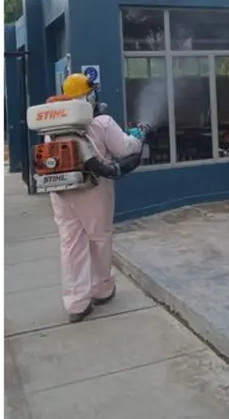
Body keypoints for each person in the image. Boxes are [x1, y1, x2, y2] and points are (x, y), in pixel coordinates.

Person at [49, 73, 145, 322]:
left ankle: (76, 303)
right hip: (92, 189)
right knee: (99, 239)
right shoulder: (101, 122)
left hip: (60, 192)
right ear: (89, 95)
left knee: (71, 245)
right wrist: (139, 134)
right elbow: (125, 148)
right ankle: (102, 289)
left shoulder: (52, 125)